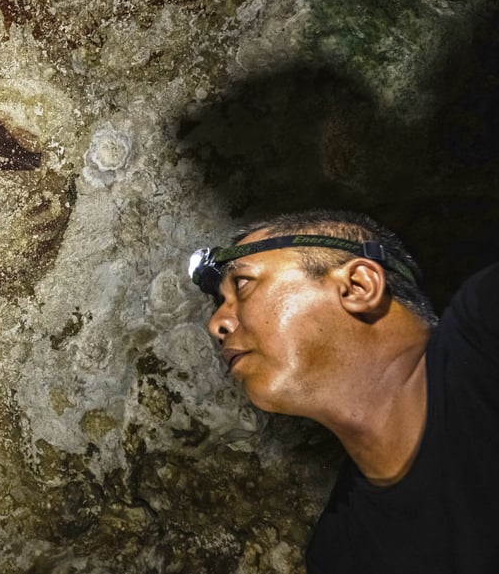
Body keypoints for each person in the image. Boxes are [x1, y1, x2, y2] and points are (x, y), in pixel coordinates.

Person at [187, 209, 499, 573]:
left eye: (241, 284)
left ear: (359, 286)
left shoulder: (486, 332)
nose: (216, 324)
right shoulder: (342, 552)